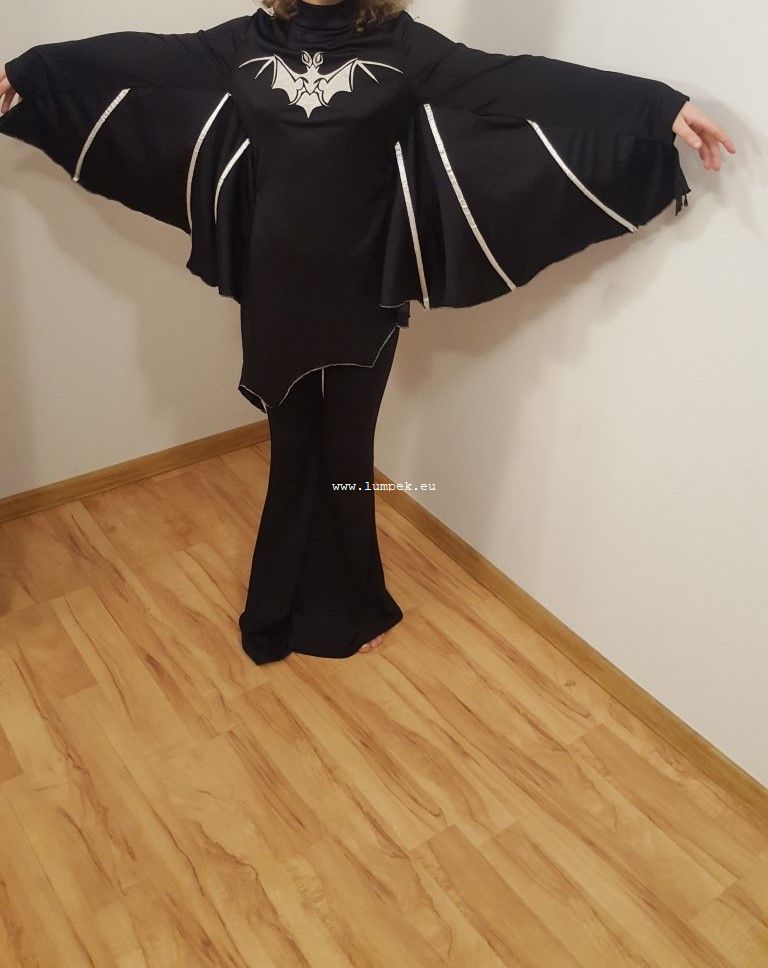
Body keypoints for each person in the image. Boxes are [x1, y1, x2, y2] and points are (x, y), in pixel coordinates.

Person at [0, 0, 734, 663]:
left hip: (364, 288)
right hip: (275, 287)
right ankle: (273, 607)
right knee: (294, 448)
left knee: (349, 449)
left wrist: (658, 108)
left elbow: (523, 82)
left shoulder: (404, 49)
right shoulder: (245, 44)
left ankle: (356, 599)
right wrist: (26, 73)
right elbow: (132, 58)